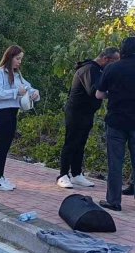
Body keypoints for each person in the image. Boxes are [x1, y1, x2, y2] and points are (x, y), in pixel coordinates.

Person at [57, 47, 120, 189]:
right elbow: (93, 90)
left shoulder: (99, 70)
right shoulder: (90, 69)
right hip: (76, 112)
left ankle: (76, 173)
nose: (116, 64)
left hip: (87, 112)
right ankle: (62, 175)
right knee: (71, 142)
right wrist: (112, 91)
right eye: (115, 61)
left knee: (81, 142)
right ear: (106, 59)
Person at [0, 45, 40, 191]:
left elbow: (27, 87)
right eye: (17, 59)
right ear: (10, 57)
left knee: (5, 147)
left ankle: (0, 176)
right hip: (2, 113)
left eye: (21, 59)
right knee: (2, 147)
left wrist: (35, 93)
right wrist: (16, 92)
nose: (19, 62)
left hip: (12, 112)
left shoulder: (17, 75)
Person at [96, 37, 135, 211]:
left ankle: (114, 201)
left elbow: (99, 94)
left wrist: (114, 94)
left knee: (115, 163)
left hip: (116, 121)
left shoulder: (112, 68)